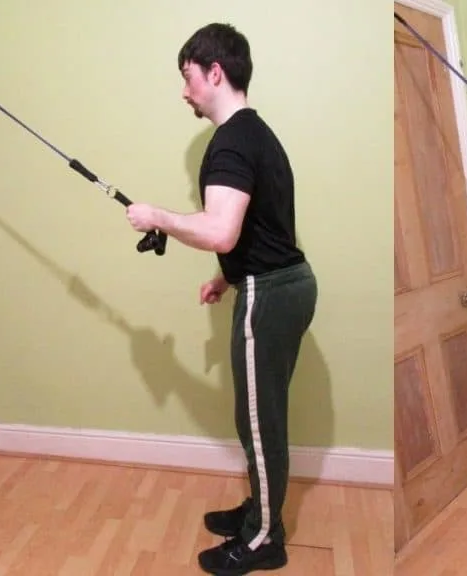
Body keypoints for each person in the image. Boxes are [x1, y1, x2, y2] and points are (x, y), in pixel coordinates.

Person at [126, 22, 317, 574]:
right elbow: (259, 227)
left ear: (216, 72)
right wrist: (228, 277)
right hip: (281, 284)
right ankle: (258, 512)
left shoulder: (231, 140)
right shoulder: (255, 133)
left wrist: (157, 215)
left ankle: (263, 539)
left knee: (259, 421)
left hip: (273, 293)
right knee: (259, 414)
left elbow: (222, 231)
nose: (183, 92)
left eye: (188, 78)